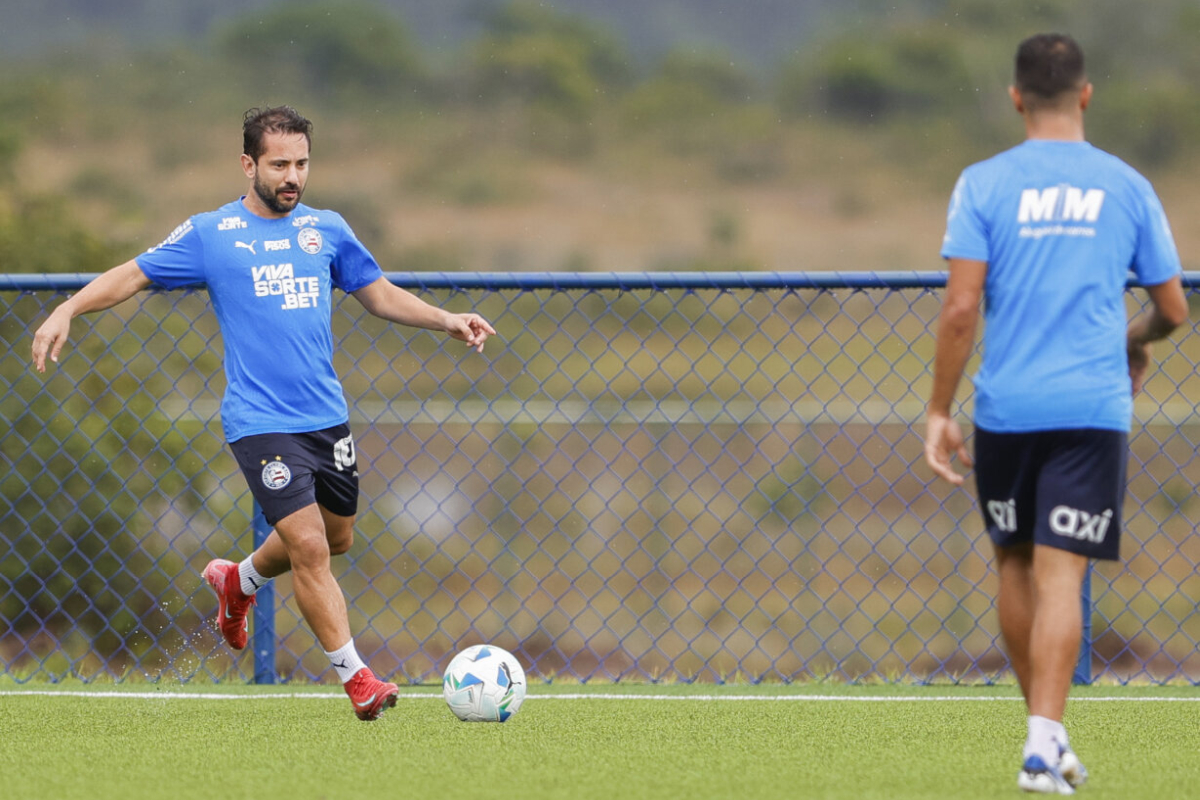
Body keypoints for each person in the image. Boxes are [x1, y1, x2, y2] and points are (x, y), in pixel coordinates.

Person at [31, 106, 496, 721]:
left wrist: (446, 320)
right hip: (258, 420)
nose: (292, 176)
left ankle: (239, 580)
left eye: (301, 164)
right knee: (308, 548)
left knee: (338, 538)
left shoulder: (325, 230)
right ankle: (357, 679)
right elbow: (132, 276)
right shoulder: (211, 234)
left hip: (324, 415)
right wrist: (69, 309)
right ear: (248, 164)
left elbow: (377, 294)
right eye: (279, 164)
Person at [924, 34, 1187, 795]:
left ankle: (1042, 734)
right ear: (1085, 94)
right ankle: (1047, 738)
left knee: (1012, 561)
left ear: (1015, 99)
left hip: (1007, 408)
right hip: (1090, 407)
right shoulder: (1127, 185)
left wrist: (939, 408)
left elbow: (961, 305)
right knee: (1061, 576)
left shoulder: (982, 183)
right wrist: (1134, 341)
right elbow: (1172, 307)